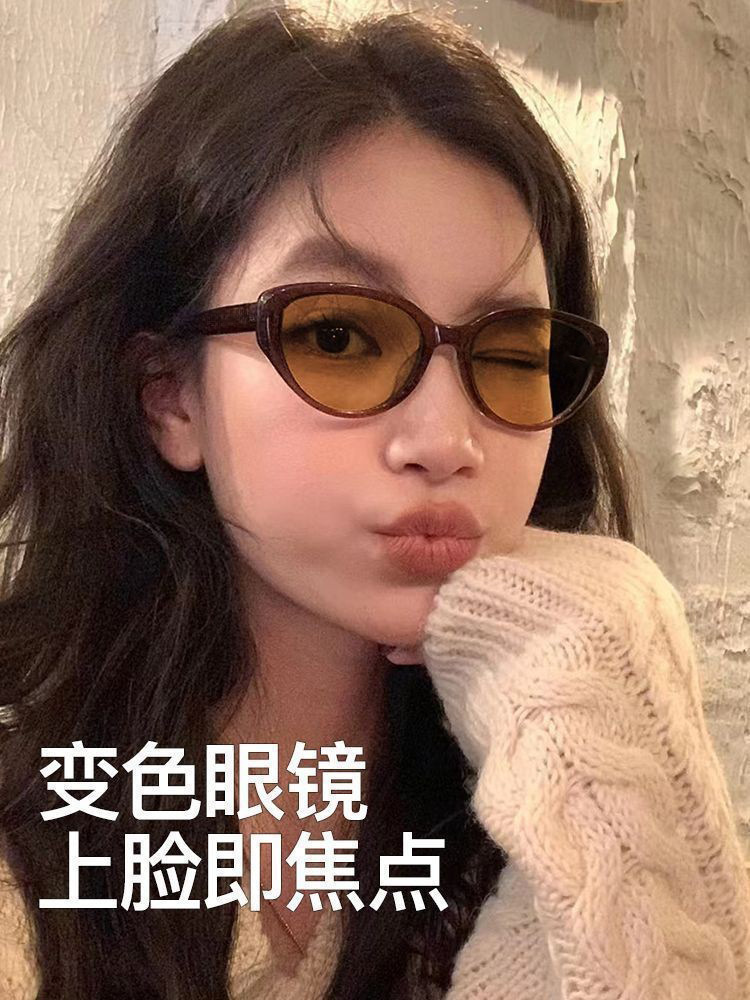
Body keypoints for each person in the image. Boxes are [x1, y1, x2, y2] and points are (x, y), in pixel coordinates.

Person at [0, 4, 748, 999]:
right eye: (339, 337)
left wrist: (618, 704)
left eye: (509, 352)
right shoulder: (37, 853)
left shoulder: (556, 776)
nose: (447, 442)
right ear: (168, 396)